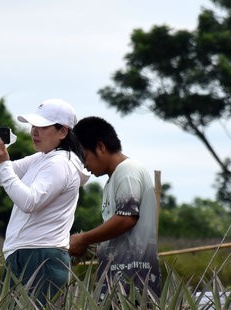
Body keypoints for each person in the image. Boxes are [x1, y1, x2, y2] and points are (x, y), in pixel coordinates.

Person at [0, 98, 89, 304]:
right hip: (28, 253)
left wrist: (3, 163)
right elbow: (0, 176)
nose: (34, 131)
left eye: (42, 126)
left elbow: (30, 202)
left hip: (42, 257)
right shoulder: (42, 158)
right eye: (33, 126)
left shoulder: (60, 163)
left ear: (63, 132)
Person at [68, 116, 161, 298]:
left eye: (84, 157)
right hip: (118, 280)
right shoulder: (113, 180)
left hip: (132, 282)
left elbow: (126, 219)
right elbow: (120, 235)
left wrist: (84, 239)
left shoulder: (128, 171)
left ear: (101, 147)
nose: (85, 166)